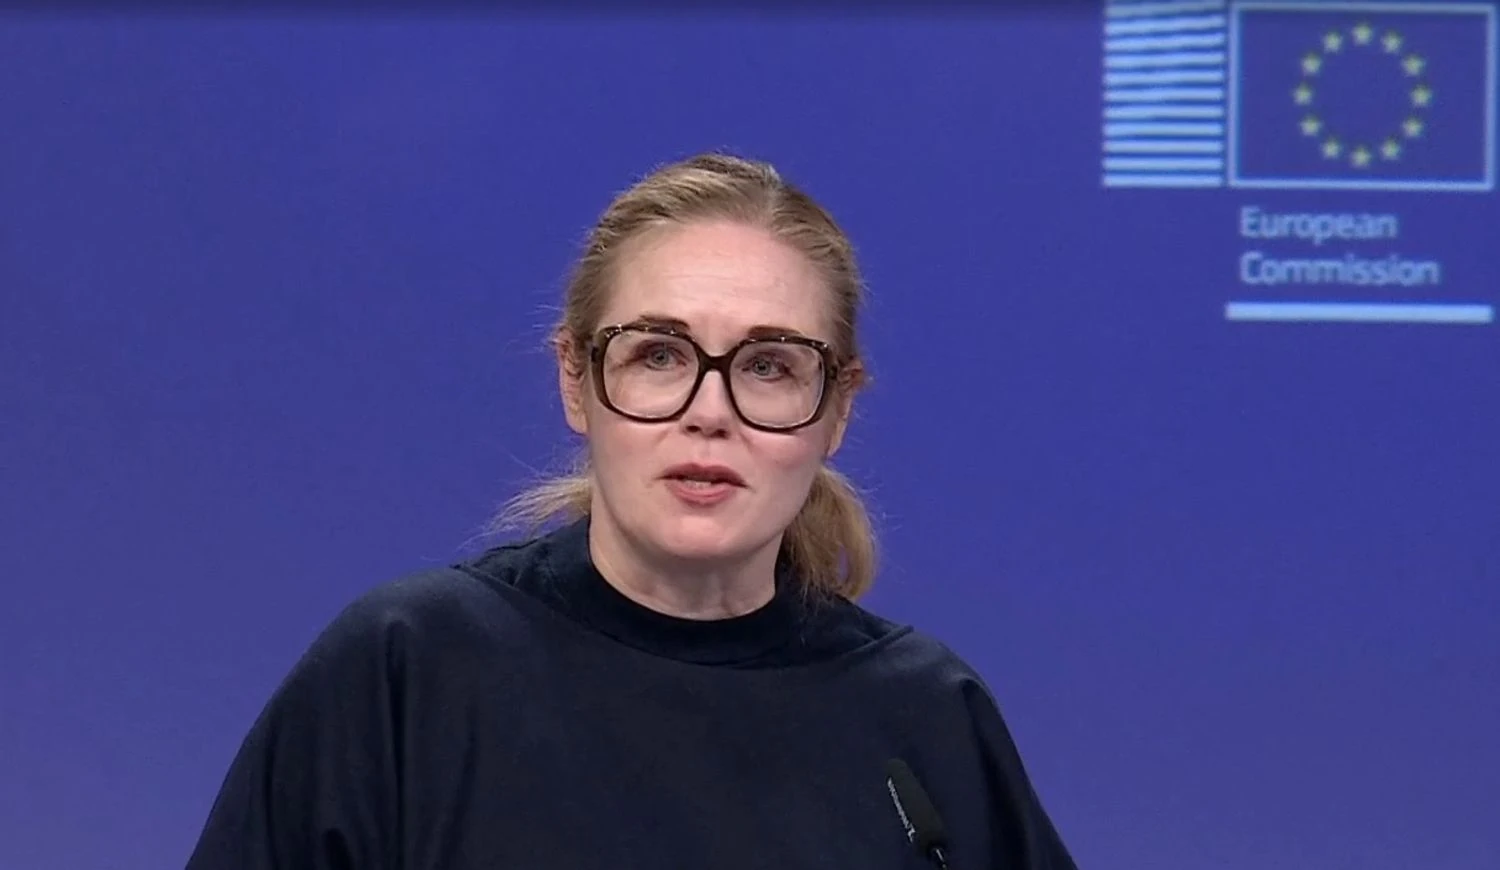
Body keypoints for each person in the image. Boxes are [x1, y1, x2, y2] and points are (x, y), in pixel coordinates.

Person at [184, 152, 1078, 870]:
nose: (710, 411)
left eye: (769, 366)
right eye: (659, 355)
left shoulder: (925, 715)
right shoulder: (408, 670)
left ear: (837, 409)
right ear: (575, 381)